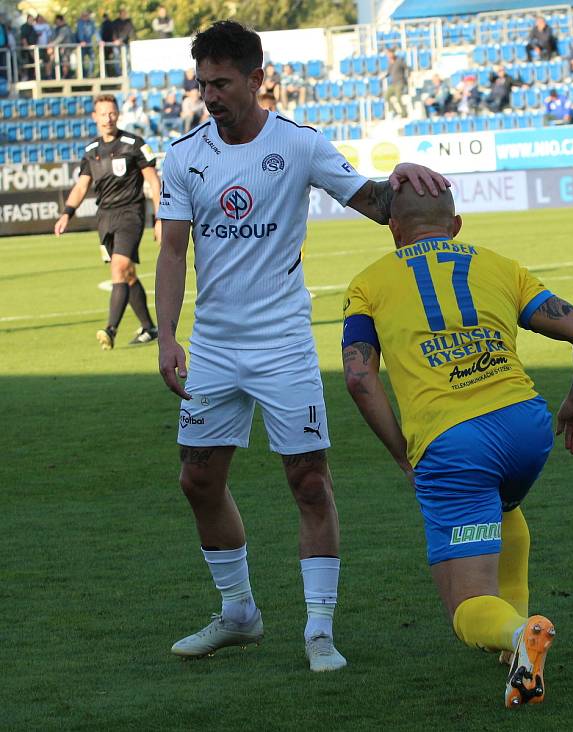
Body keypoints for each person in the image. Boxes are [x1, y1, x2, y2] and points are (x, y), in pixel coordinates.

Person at [154, 20, 447, 671]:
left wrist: (401, 176)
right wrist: (169, 335)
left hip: (283, 343)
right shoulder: (183, 156)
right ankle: (239, 613)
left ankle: (319, 630)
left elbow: (376, 205)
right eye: (203, 84)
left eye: (222, 83)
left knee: (308, 480)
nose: (211, 96)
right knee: (197, 479)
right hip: (216, 347)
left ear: (258, 80)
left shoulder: (301, 146)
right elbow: (173, 251)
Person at [340, 183, 573, 707]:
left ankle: (517, 634)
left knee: (466, 608)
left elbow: (359, 377)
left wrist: (401, 452)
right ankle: (516, 656)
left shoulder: (369, 283)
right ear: (456, 225)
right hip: (526, 426)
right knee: (504, 503)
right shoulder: (501, 266)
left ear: (393, 229)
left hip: (453, 441)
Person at [54, 94, 161, 349]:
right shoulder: (91, 151)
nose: (108, 118)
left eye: (112, 113)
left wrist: (160, 218)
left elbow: (154, 182)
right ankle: (149, 328)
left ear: (118, 114)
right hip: (105, 218)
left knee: (119, 268)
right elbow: (82, 187)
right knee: (128, 274)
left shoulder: (134, 144)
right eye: (103, 114)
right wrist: (67, 213)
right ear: (95, 117)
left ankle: (110, 329)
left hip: (131, 214)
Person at [384, 48, 408, 117]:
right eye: (388, 54)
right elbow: (388, 72)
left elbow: (407, 68)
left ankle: (404, 113)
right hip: (393, 84)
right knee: (386, 96)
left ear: (393, 53)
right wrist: (384, 76)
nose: (389, 55)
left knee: (398, 98)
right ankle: (394, 111)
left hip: (400, 82)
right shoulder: (390, 63)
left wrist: (408, 75)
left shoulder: (399, 61)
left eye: (390, 54)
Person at [76, 11, 98, 77]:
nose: (86, 17)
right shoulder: (80, 23)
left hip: (89, 44)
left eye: (87, 16)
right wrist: (82, 40)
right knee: (81, 59)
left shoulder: (91, 23)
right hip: (82, 44)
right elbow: (80, 32)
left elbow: (95, 31)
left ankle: (90, 73)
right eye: (84, 16)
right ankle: (83, 74)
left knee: (92, 57)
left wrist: (99, 40)